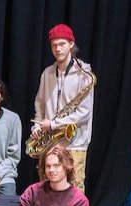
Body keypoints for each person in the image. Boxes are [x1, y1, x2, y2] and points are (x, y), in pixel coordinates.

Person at [32, 23, 95, 191]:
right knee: (46, 185)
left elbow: (84, 113)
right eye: (54, 45)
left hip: (75, 142)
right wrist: (37, 124)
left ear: (71, 44)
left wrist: (54, 124)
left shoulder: (84, 74)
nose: (58, 49)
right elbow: (40, 102)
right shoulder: (47, 73)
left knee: (74, 186)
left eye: (62, 44)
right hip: (50, 141)